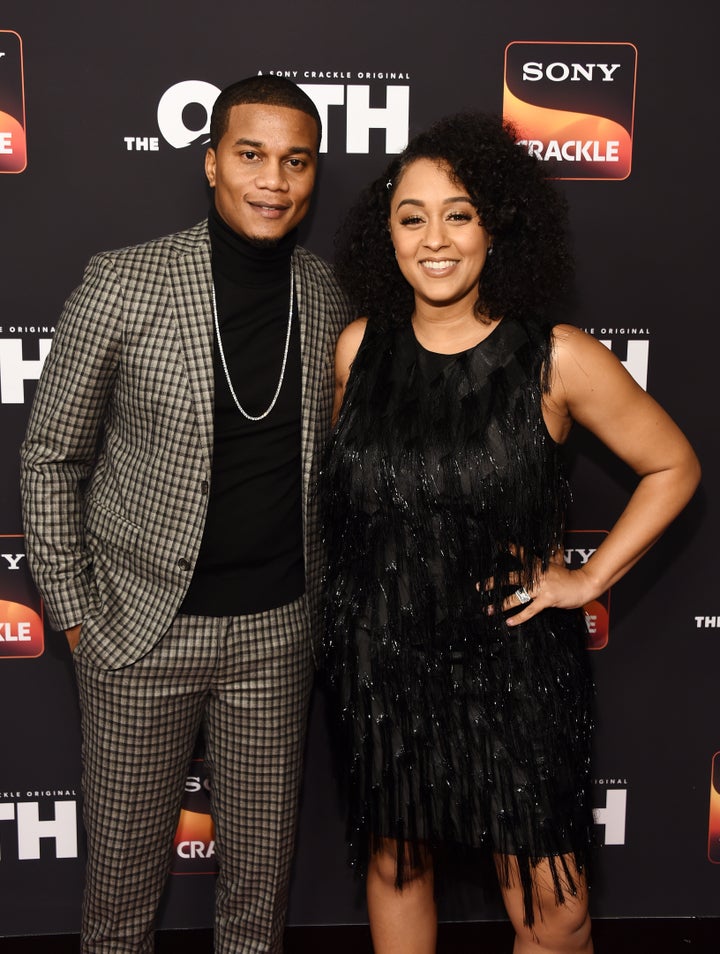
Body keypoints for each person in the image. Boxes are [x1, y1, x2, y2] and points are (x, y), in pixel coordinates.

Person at [322, 112, 700, 954]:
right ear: (385, 234)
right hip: (383, 659)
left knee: (553, 913)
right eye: (411, 216)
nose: (436, 239)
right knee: (398, 867)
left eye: (459, 213)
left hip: (513, 667)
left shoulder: (556, 357)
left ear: (497, 225)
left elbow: (673, 465)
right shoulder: (358, 351)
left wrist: (586, 578)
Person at [20, 75, 351, 953]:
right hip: (139, 635)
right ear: (211, 164)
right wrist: (79, 617)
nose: (273, 180)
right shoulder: (124, 283)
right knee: (122, 895)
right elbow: (51, 456)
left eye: (295, 160)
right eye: (251, 155)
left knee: (258, 893)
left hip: (279, 634)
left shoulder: (326, 295)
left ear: (313, 175)